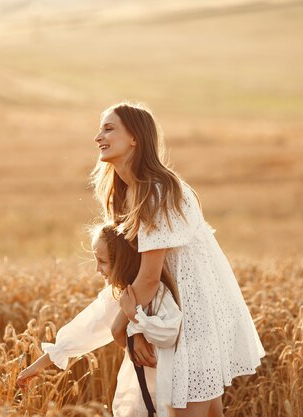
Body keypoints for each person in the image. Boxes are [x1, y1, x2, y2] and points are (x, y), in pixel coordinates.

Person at [92, 101, 266, 417]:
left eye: (108, 128)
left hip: (194, 318)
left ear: (135, 138)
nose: (98, 137)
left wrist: (123, 330)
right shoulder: (134, 191)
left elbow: (147, 277)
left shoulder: (154, 191)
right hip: (187, 314)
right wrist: (136, 326)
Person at [16, 223, 182, 417]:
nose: (97, 269)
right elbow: (83, 332)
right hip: (137, 389)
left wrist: (133, 316)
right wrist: (36, 367)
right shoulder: (117, 297)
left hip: (166, 391)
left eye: (102, 261)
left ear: (123, 261)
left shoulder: (157, 293)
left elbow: (169, 333)